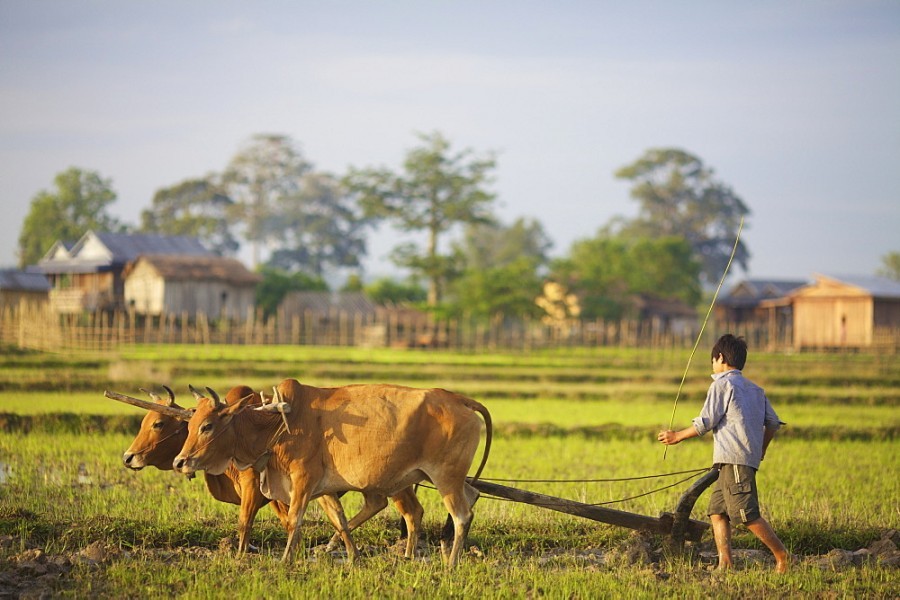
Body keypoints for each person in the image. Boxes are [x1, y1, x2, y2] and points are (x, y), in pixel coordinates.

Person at [657, 334, 790, 573]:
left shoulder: (721, 384)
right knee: (717, 512)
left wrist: (676, 436)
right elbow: (772, 423)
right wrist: (760, 450)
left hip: (734, 459)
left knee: (746, 514)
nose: (713, 366)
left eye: (713, 361)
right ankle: (725, 562)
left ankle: (782, 556)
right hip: (730, 461)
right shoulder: (756, 389)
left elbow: (706, 422)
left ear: (720, 358)